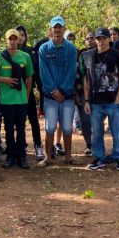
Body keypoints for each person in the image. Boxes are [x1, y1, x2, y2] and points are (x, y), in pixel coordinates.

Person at [79, 28, 119, 171]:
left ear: (109, 39)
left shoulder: (117, 55)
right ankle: (99, 158)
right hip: (96, 101)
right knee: (97, 132)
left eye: (104, 38)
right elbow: (87, 79)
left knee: (116, 131)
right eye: (98, 38)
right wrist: (87, 100)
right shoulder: (88, 56)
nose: (101, 41)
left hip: (113, 101)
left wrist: (118, 98)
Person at [0, 29, 33, 169]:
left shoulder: (25, 56)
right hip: (6, 99)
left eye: (15, 38)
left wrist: (27, 95)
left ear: (18, 40)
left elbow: (29, 77)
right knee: (9, 129)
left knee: (21, 129)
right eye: (10, 39)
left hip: (21, 99)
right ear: (6, 40)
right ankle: (10, 156)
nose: (12, 41)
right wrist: (3, 79)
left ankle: (21, 156)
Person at [37, 16, 78, 167]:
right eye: (55, 27)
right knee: (50, 127)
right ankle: (47, 157)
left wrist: (62, 90)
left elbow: (72, 72)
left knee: (67, 127)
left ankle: (68, 157)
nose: (57, 29)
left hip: (67, 97)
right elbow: (44, 73)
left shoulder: (71, 49)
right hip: (50, 97)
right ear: (51, 30)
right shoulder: (44, 49)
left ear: (64, 29)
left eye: (60, 27)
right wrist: (54, 91)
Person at [16, 25, 44, 160]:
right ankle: (21, 146)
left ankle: (38, 145)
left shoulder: (31, 52)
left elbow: (36, 74)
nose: (20, 37)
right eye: (18, 35)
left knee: (33, 120)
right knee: (19, 121)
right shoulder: (9, 52)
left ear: (26, 37)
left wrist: (40, 90)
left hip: (28, 91)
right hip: (14, 93)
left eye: (22, 35)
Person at [72, 32, 95, 154]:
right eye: (87, 39)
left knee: (97, 120)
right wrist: (75, 94)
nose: (90, 40)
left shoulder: (102, 53)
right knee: (84, 120)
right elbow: (75, 74)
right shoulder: (80, 54)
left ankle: (97, 144)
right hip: (81, 92)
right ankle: (89, 144)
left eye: (92, 38)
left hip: (98, 93)